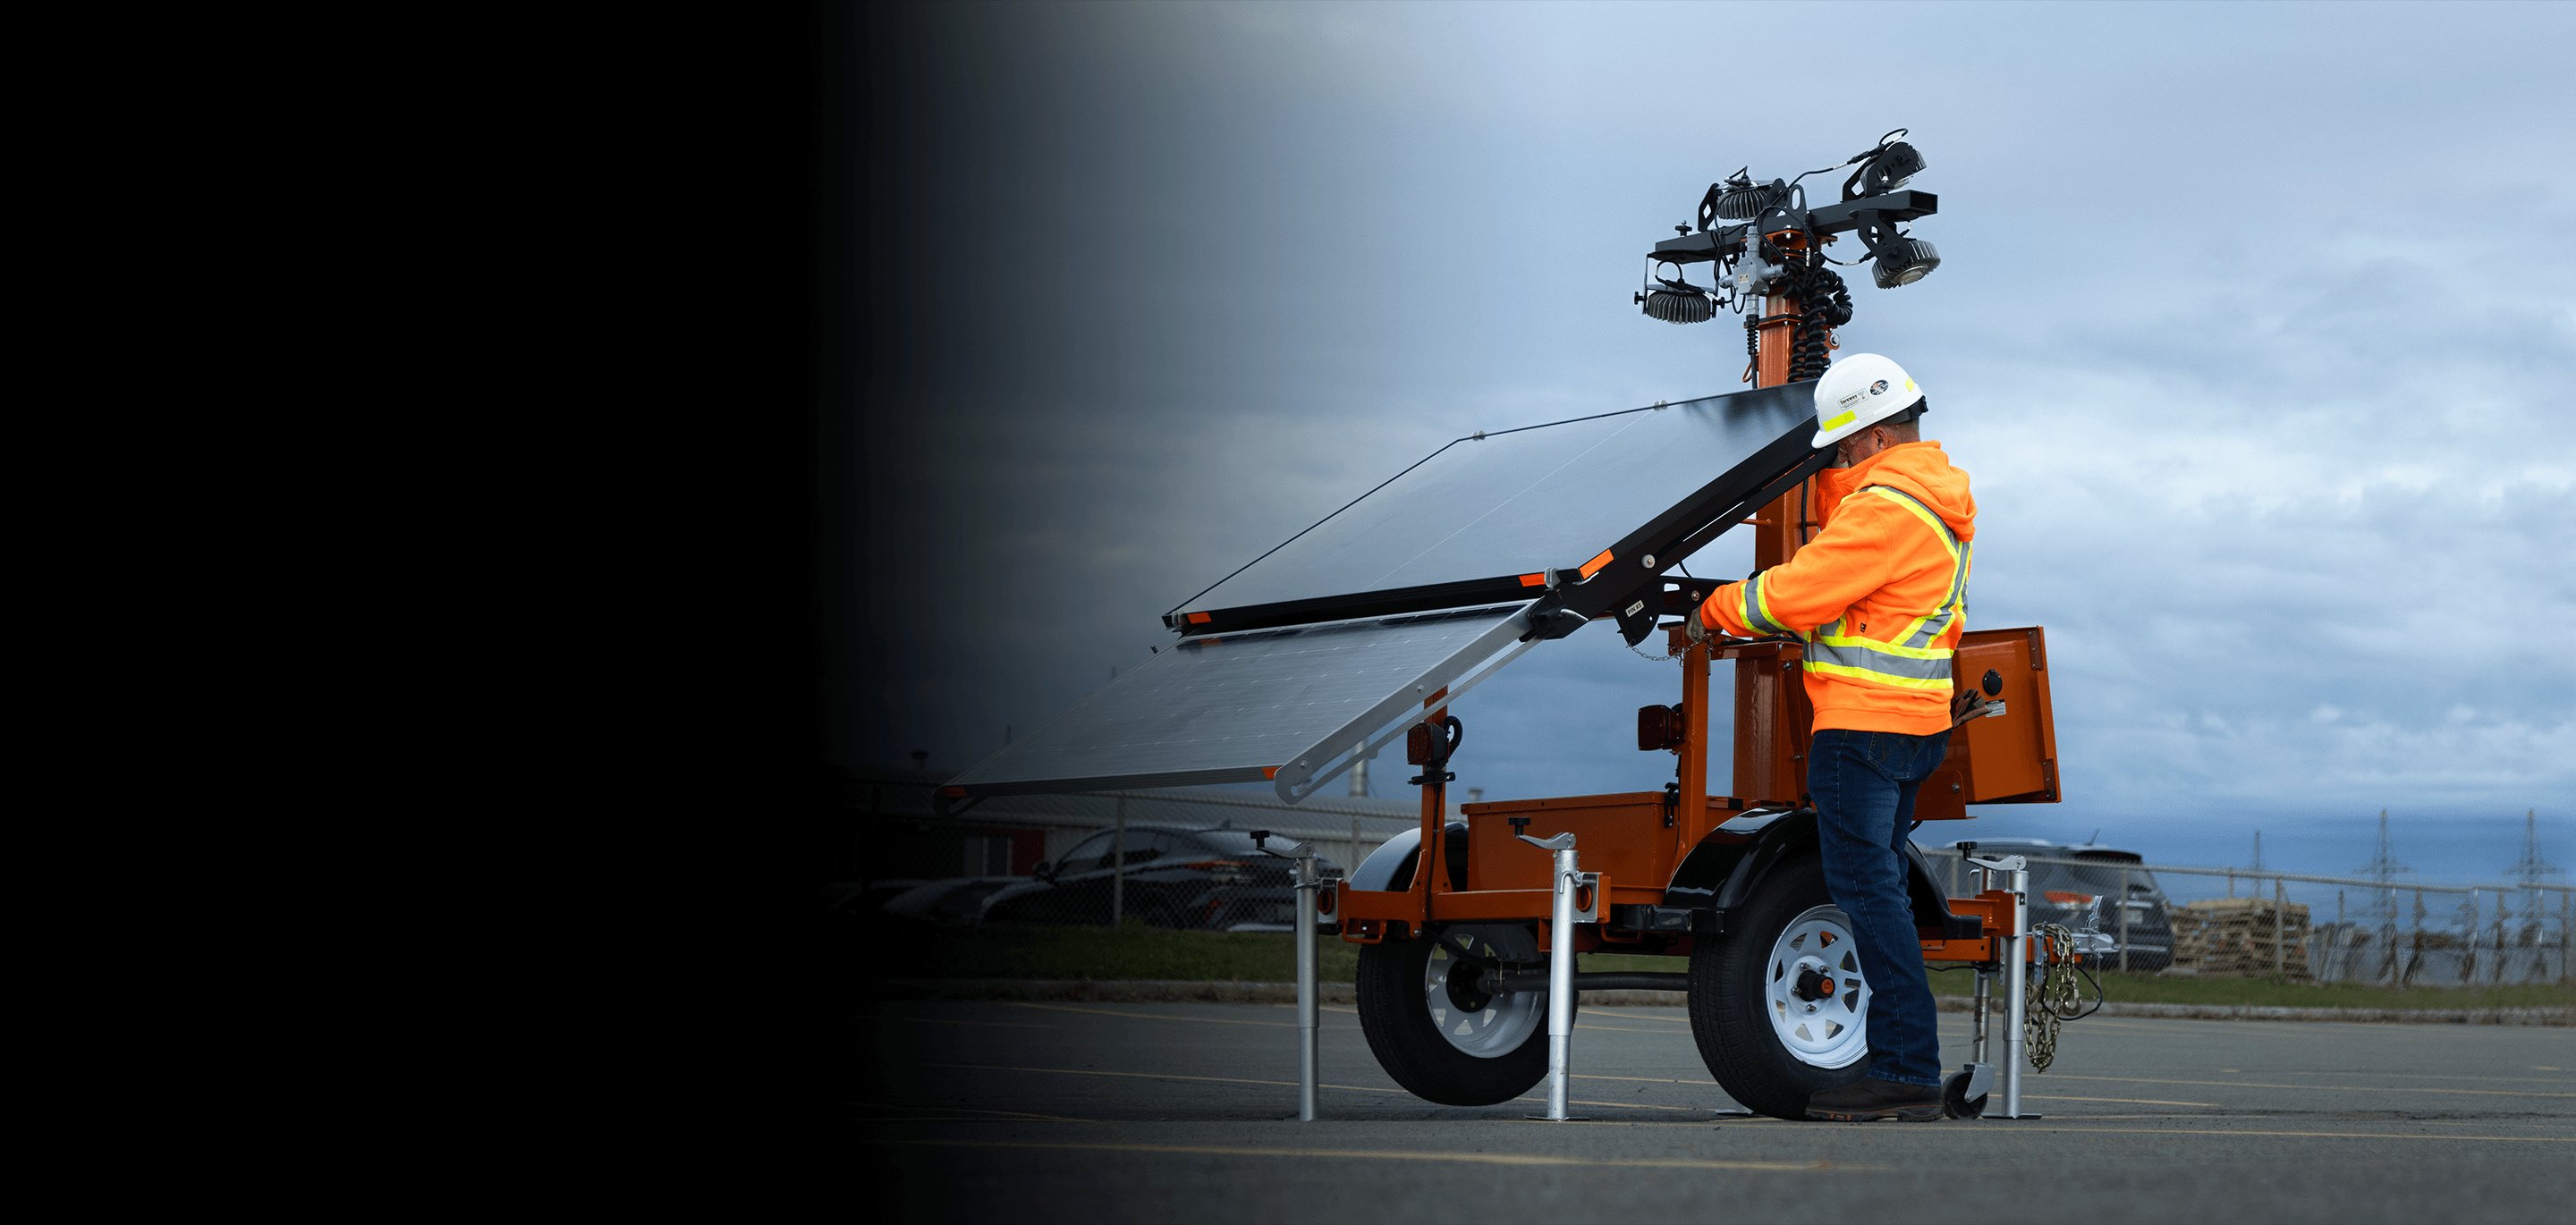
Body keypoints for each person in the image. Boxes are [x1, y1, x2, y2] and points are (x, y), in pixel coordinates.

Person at [1686, 352, 1979, 1122]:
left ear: (1877, 434)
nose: (1842, 458)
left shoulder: (1883, 510)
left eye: (1846, 444)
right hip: (1913, 728)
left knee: (1870, 900)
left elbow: (1798, 593)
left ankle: (1907, 1070)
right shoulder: (1935, 501)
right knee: (1881, 895)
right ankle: (1905, 1065)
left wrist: (1714, 611)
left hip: (1861, 731)